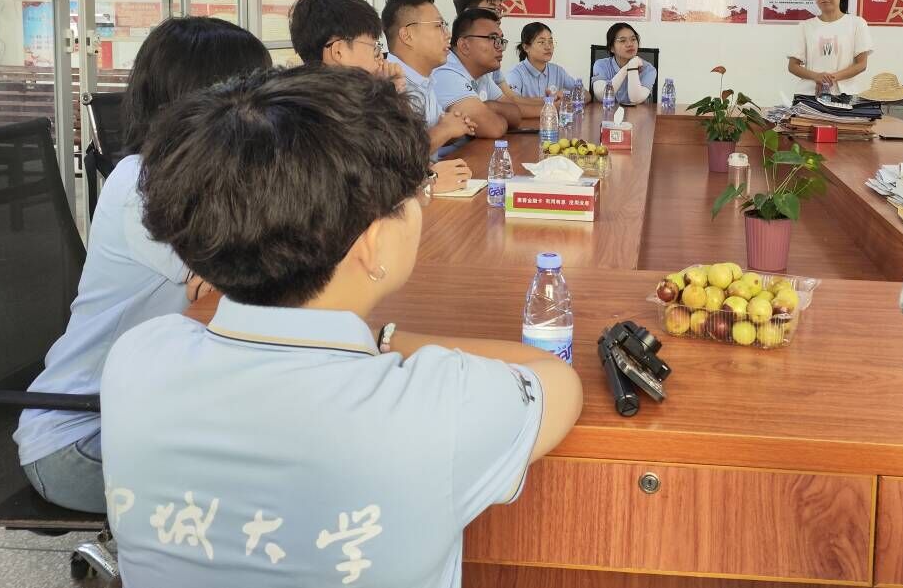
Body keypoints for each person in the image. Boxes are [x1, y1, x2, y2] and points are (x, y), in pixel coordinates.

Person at [100, 66, 583, 587]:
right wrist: (387, 341)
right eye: (416, 194)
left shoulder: (138, 357)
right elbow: (557, 378)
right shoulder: (436, 403)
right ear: (372, 244)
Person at [14, 17, 271, 512]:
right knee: (275, 479)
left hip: (148, 414)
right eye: (257, 89)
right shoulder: (142, 184)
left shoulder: (208, 179)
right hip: (81, 436)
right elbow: (247, 278)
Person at [379, 0, 476, 183]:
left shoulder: (425, 77)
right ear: (407, 35)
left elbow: (429, 135)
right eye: (439, 26)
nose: (448, 35)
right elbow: (398, 156)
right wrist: (445, 129)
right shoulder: (388, 83)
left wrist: (455, 127)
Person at [453, 0, 543, 117]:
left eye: (500, 10)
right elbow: (487, 119)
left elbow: (509, 101)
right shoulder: (450, 65)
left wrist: (550, 104)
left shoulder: (488, 59)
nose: (499, 15)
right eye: (493, 9)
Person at [432, 7, 523, 139]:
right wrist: (492, 114)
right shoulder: (445, 71)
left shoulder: (482, 74)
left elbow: (515, 114)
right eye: (493, 38)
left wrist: (489, 106)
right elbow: (493, 128)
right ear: (464, 46)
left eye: (501, 40)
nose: (500, 47)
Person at [288, 0, 405, 93]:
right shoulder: (347, 108)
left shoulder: (301, 99)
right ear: (339, 51)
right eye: (375, 49)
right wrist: (390, 96)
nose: (381, 59)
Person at [787, 0, 873, 96]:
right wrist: (816, 76)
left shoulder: (857, 23)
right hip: (809, 94)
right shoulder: (805, 26)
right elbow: (793, 66)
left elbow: (861, 64)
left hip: (845, 94)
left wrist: (828, 79)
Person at [505, 22, 589, 102]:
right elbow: (512, 102)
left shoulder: (557, 71)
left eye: (550, 42)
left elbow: (586, 95)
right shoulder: (515, 74)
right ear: (526, 47)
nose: (548, 47)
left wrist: (568, 98)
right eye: (541, 42)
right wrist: (551, 100)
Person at [591, 22, 656, 105]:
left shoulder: (648, 69)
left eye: (633, 39)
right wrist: (628, 67)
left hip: (637, 113)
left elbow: (635, 99)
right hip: (608, 112)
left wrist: (632, 68)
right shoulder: (601, 65)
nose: (630, 44)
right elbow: (602, 96)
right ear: (611, 48)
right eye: (622, 40)